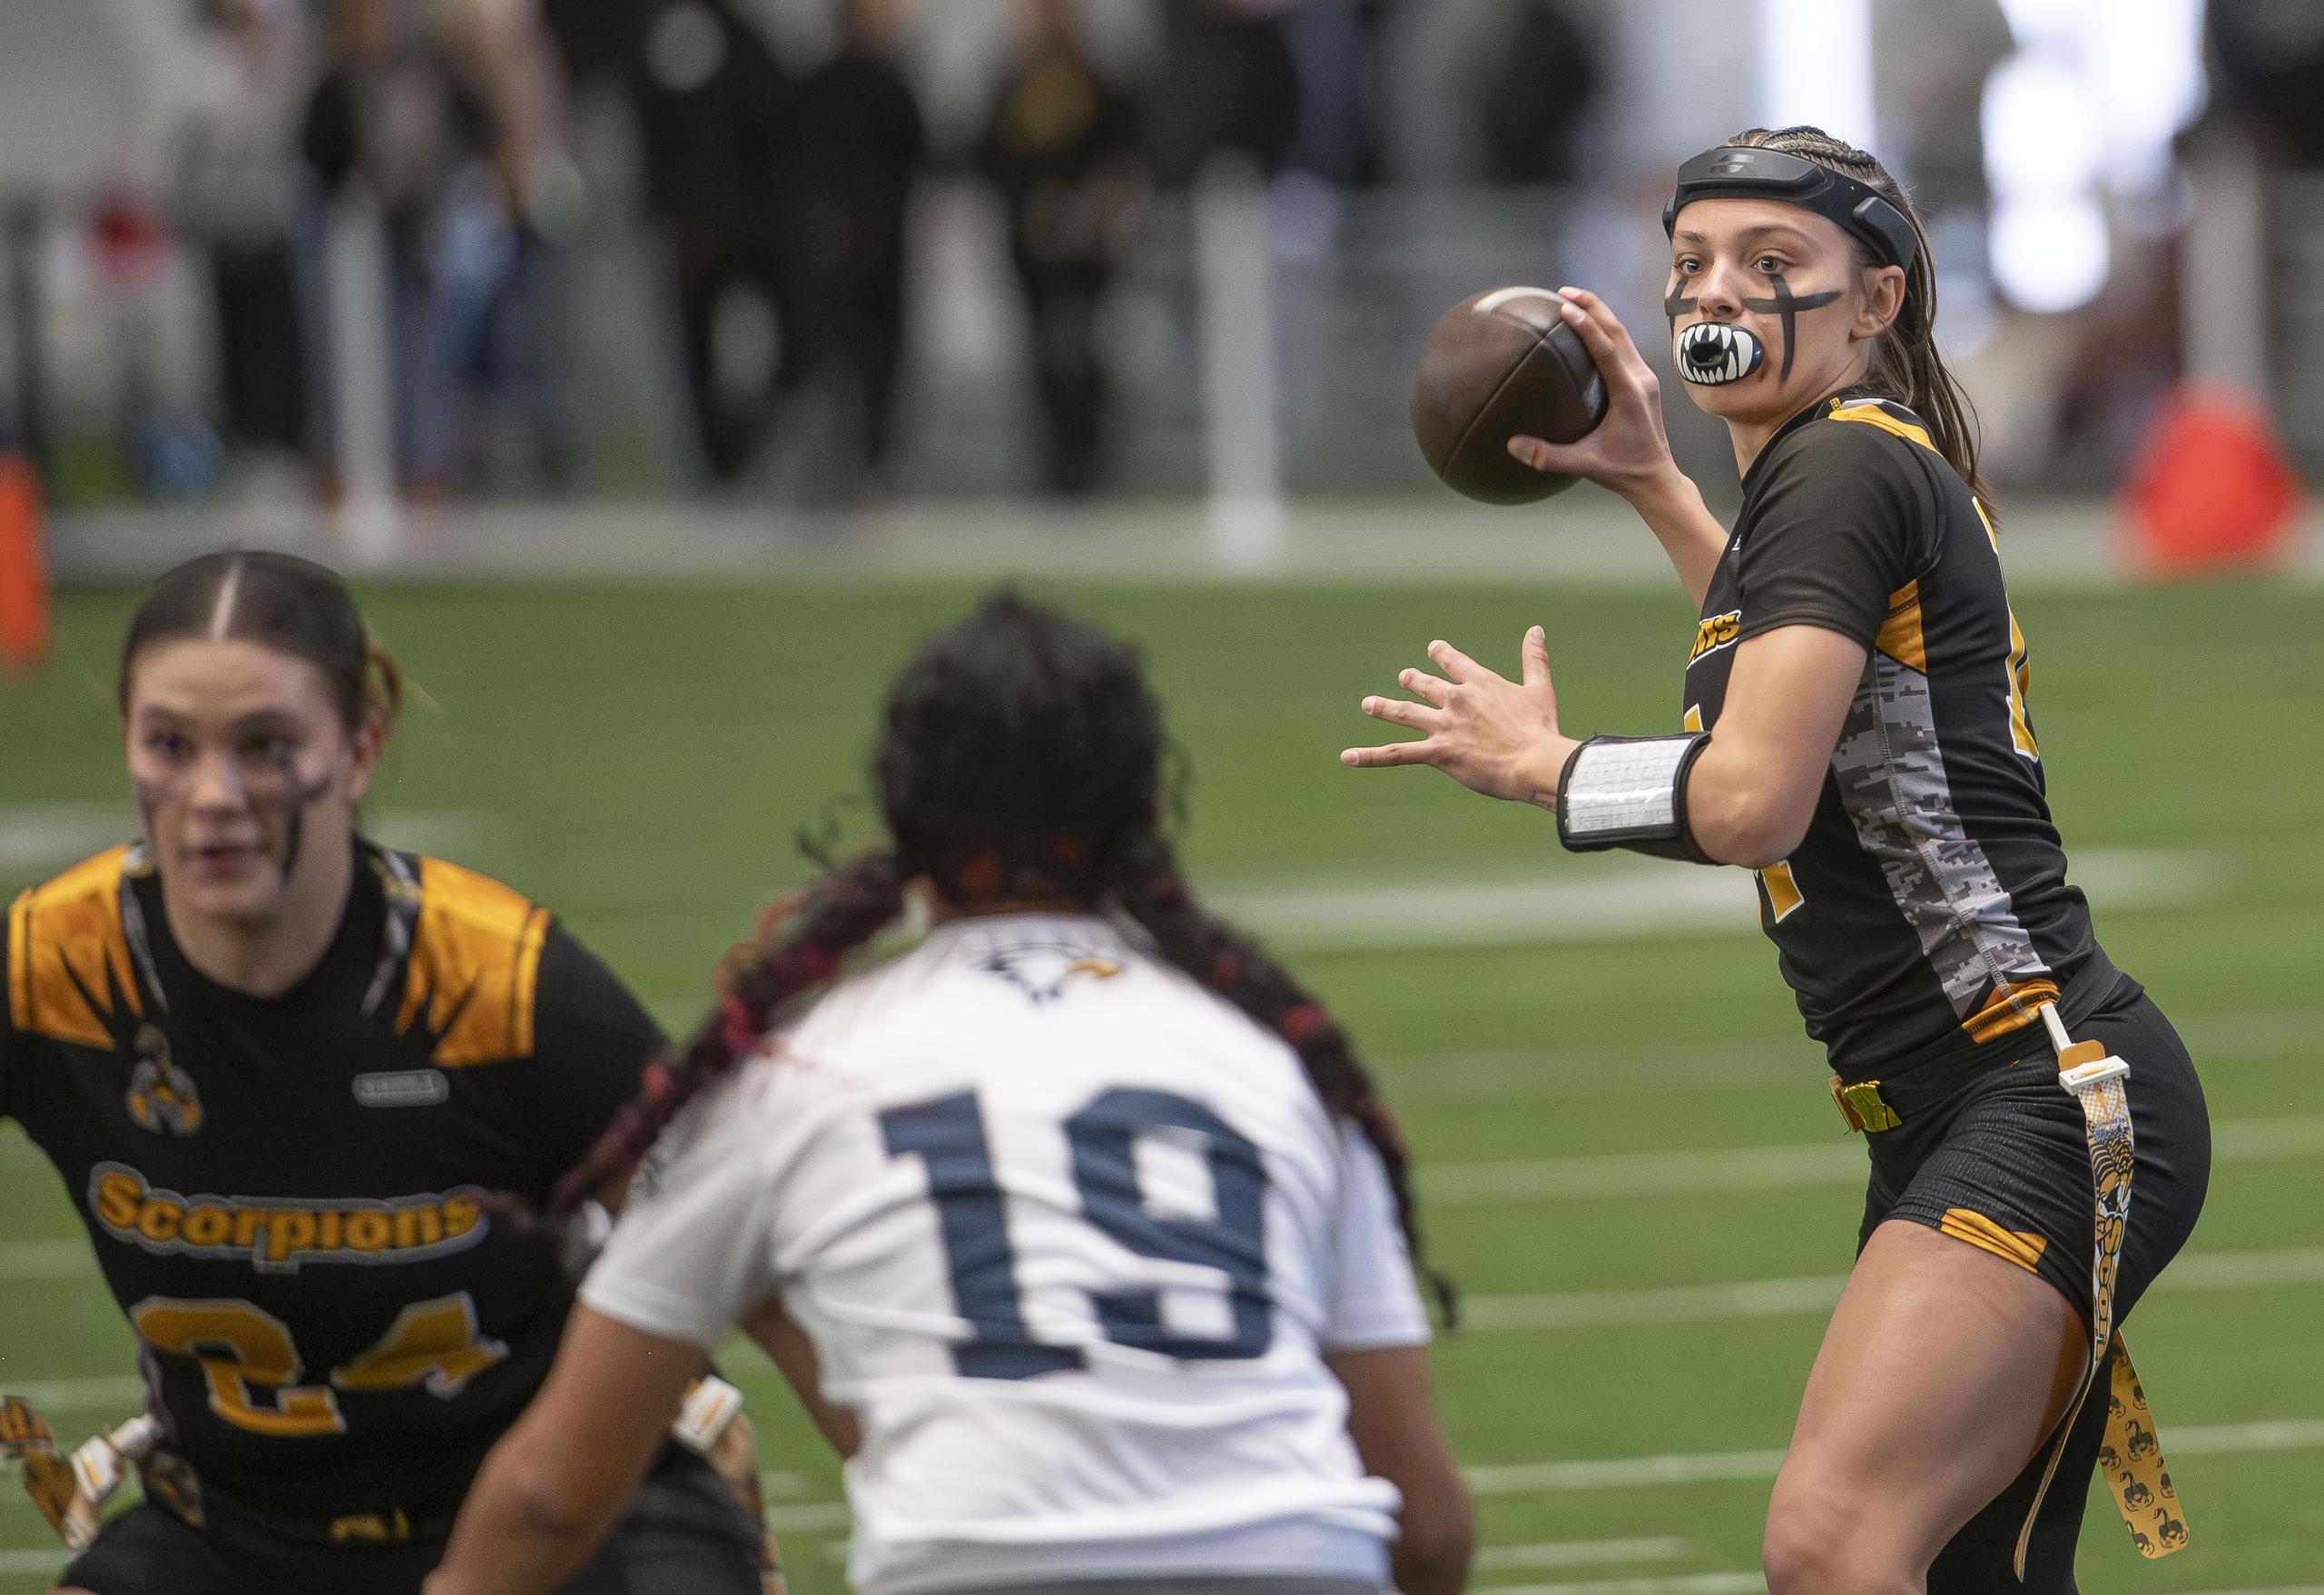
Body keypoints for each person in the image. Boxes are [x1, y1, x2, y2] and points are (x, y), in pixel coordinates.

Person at [1342, 126, 2209, 1593]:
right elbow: (1814, 707)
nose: (1716, 293)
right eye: (1691, 262)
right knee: (1954, 1568)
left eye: (1771, 262)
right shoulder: (1830, 475)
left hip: (2029, 1085)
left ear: (1874, 304)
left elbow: (1754, 799)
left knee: (1831, 1538)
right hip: (1979, 1091)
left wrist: (1547, 769)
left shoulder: (1841, 472)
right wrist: (1659, 486)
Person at [422, 594, 1475, 1595]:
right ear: (1147, 809)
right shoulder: (1271, 1064)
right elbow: (1426, 1524)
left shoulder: (791, 1077)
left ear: (903, 816)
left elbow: (552, 1493)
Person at [0, 551, 773, 1594]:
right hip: (236, 1535)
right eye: (170, 744)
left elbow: (750, 1249)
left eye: (267, 745)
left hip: (563, 1527)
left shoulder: (496, 986)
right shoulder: (55, 970)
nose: (211, 795)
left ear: (361, 744)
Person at [978, 0, 1143, 495]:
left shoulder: (1096, 81)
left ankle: (1088, 460)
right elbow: (991, 159)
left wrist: (1094, 209)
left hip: (1084, 253)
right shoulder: (1011, 83)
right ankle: (1056, 465)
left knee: (1081, 353)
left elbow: (1123, 155)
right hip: (1032, 252)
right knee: (1044, 359)